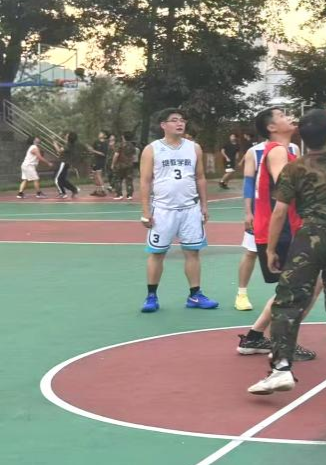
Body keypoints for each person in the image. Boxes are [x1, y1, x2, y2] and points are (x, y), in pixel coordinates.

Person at [248, 109, 326, 395]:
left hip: (310, 237)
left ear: (302, 136)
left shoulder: (294, 168)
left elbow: (279, 212)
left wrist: (271, 249)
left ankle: (281, 368)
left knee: (288, 301)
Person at [236, 108, 317, 361]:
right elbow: (287, 187)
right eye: (282, 115)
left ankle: (255, 336)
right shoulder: (278, 151)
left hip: (283, 228)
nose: (289, 116)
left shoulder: (287, 150)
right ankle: (283, 341)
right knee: (304, 286)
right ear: (271, 127)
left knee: (296, 287)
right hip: (282, 230)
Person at [138, 108, 218, 313]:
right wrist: (145, 211)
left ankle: (195, 295)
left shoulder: (194, 148)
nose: (180, 123)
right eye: (174, 120)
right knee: (157, 253)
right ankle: (151, 296)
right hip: (163, 210)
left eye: (182, 120)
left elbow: (200, 177)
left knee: (192, 252)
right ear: (163, 125)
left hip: (190, 209)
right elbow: (145, 181)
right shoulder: (152, 149)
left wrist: (204, 206)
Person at [231, 135, 299, 312]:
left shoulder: (293, 148)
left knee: (291, 253)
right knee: (251, 251)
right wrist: (248, 212)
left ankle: (286, 295)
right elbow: (249, 183)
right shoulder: (254, 151)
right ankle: (241, 294)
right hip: (262, 212)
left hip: (286, 212)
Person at [53, 132, 81, 199]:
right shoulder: (71, 144)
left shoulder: (68, 145)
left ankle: (62, 193)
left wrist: (54, 143)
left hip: (63, 163)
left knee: (57, 179)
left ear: (69, 137)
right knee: (62, 180)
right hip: (66, 163)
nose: (66, 136)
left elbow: (59, 151)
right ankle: (74, 189)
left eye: (67, 135)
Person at [112, 132, 136, 200]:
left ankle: (119, 195)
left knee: (118, 180)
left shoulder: (120, 144)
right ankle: (129, 195)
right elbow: (134, 156)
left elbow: (116, 155)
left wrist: (113, 164)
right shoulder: (132, 145)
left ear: (123, 137)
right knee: (129, 180)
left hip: (120, 165)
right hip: (129, 165)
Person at [89, 131, 109, 197]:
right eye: (99, 133)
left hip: (100, 161)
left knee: (98, 175)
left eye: (101, 133)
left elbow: (103, 154)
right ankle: (96, 190)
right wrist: (91, 150)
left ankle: (103, 190)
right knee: (94, 176)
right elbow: (92, 150)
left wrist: (94, 151)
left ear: (105, 136)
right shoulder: (96, 142)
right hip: (94, 160)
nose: (99, 134)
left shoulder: (105, 143)